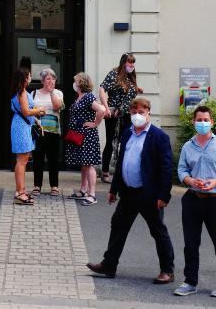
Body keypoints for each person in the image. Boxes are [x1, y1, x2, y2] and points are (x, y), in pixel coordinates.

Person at [87, 96, 175, 284]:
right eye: (133, 113)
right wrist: (114, 189)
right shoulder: (128, 132)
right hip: (128, 192)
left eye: (141, 112)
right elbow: (121, 163)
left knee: (158, 231)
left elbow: (167, 169)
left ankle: (167, 270)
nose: (137, 116)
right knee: (118, 226)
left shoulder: (159, 137)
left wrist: (163, 195)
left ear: (148, 113)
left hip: (149, 194)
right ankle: (109, 265)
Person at [174, 105, 216, 299]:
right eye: (198, 120)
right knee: (190, 243)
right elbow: (181, 170)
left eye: (205, 120)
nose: (202, 123)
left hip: (215, 201)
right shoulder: (188, 146)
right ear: (193, 122)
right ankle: (190, 282)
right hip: (192, 200)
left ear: (212, 122)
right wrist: (190, 180)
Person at [99, 53, 142, 183]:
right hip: (114, 113)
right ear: (124, 63)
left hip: (126, 114)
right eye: (130, 63)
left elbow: (127, 91)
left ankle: (122, 171)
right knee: (111, 142)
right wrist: (106, 108)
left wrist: (137, 89)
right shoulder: (114, 74)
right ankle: (105, 172)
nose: (132, 66)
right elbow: (102, 89)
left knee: (126, 142)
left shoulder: (130, 77)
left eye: (133, 63)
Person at [65, 72, 105, 206]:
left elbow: (101, 110)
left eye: (76, 81)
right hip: (79, 135)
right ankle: (83, 190)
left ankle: (92, 194)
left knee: (89, 164)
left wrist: (95, 123)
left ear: (81, 83)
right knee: (84, 164)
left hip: (87, 135)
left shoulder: (87, 97)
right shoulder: (80, 97)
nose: (74, 84)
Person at [10, 67, 46, 205]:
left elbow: (26, 112)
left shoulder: (22, 92)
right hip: (21, 128)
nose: (30, 78)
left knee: (23, 160)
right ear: (23, 79)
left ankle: (22, 190)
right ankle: (20, 193)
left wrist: (37, 121)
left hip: (24, 126)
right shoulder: (22, 93)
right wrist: (40, 110)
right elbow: (26, 111)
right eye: (29, 76)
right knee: (21, 160)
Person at [31, 68, 65, 197]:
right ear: (43, 81)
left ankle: (54, 186)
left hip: (53, 131)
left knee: (53, 159)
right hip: (38, 131)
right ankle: (37, 185)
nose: (51, 81)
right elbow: (29, 110)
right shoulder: (34, 93)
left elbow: (57, 107)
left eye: (53, 78)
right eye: (48, 79)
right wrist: (37, 113)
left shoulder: (58, 93)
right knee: (38, 159)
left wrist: (51, 93)